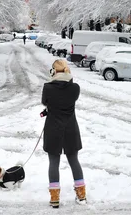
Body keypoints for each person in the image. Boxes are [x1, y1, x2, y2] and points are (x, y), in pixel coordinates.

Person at [41, 59, 86, 208]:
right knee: (74, 161)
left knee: (53, 163)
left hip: (53, 129)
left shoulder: (48, 87)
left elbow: (45, 102)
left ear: (53, 71)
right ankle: (81, 195)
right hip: (70, 128)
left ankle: (54, 198)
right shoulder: (75, 88)